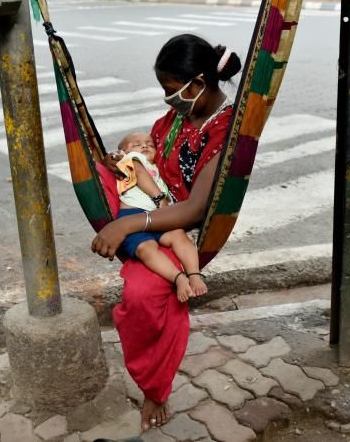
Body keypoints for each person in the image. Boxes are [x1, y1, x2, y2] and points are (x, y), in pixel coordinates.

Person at [91, 34, 242, 431]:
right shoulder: (177, 118)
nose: (168, 100)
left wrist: (128, 222)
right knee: (94, 173)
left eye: (172, 91)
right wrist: (122, 162)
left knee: (144, 298)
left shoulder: (225, 131)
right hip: (148, 205)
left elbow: (194, 209)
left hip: (177, 223)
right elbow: (150, 158)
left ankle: (154, 388)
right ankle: (153, 382)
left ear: (199, 83)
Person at [111, 132, 207, 303]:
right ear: (124, 152)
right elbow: (138, 173)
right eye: (136, 144)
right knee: (145, 249)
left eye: (149, 143)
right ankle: (178, 278)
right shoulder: (131, 159)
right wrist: (159, 198)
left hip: (159, 217)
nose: (144, 146)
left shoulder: (157, 166)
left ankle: (194, 274)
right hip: (133, 215)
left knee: (180, 236)